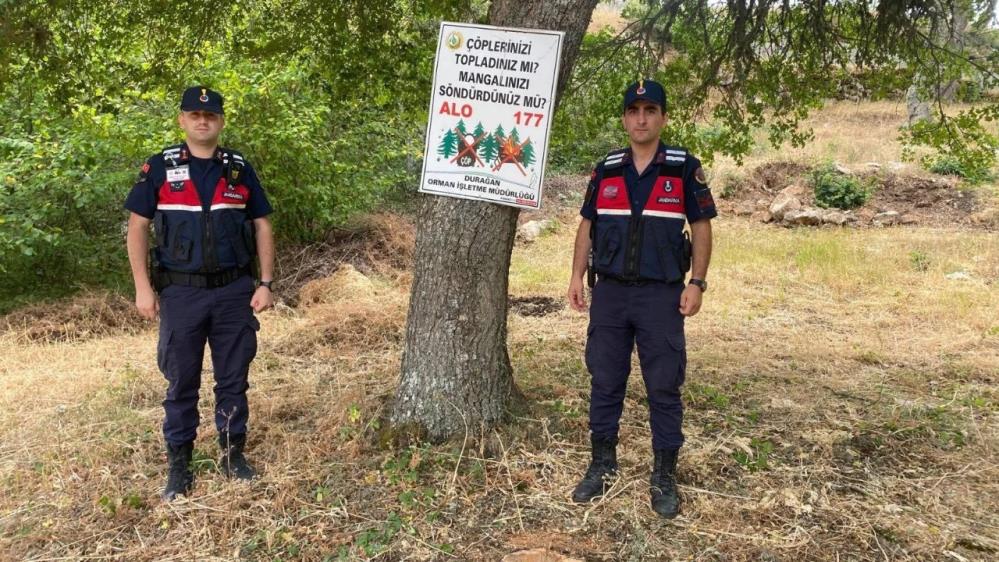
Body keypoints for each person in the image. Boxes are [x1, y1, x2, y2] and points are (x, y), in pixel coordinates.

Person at [566, 79, 716, 518]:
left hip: (661, 296)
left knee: (664, 387)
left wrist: (698, 282)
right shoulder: (607, 168)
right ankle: (602, 465)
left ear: (663, 117)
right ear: (625, 118)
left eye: (651, 110)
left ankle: (664, 475)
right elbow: (586, 225)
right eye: (634, 110)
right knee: (605, 381)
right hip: (609, 294)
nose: (641, 118)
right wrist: (576, 275)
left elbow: (702, 225)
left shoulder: (684, 167)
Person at [124, 86, 275, 501]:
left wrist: (264, 282)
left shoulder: (239, 170)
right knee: (181, 382)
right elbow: (137, 227)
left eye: (210, 115)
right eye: (194, 114)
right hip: (181, 295)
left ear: (221, 121)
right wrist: (142, 288)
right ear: (182, 120)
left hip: (233, 293)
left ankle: (232, 455)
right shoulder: (159, 167)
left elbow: (262, 224)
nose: (202, 121)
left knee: (233, 380)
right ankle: (179, 464)